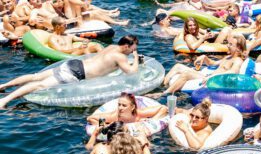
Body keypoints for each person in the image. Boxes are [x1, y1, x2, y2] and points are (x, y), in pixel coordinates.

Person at [0, 35, 140, 109]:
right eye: (133, 48)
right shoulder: (120, 57)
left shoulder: (111, 46)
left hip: (76, 63)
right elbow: (131, 73)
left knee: (36, 76)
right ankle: (4, 100)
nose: (134, 51)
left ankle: (3, 86)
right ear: (127, 46)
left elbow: (104, 63)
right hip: (76, 73)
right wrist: (135, 58)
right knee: (40, 85)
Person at [87, 91, 167, 128]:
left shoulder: (139, 114)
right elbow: (90, 118)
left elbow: (163, 108)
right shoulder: (115, 116)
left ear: (132, 107)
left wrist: (151, 122)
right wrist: (105, 126)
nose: (120, 108)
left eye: (124, 105)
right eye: (119, 105)